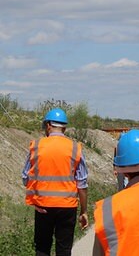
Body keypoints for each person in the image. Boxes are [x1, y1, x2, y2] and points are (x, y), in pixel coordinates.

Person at [22, 108, 89, 256]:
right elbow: (82, 184)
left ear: (48, 126)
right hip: (67, 208)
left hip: (42, 206)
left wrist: (35, 198)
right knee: (64, 250)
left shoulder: (36, 146)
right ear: (64, 128)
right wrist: (84, 211)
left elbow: (26, 177)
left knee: (42, 248)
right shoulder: (75, 148)